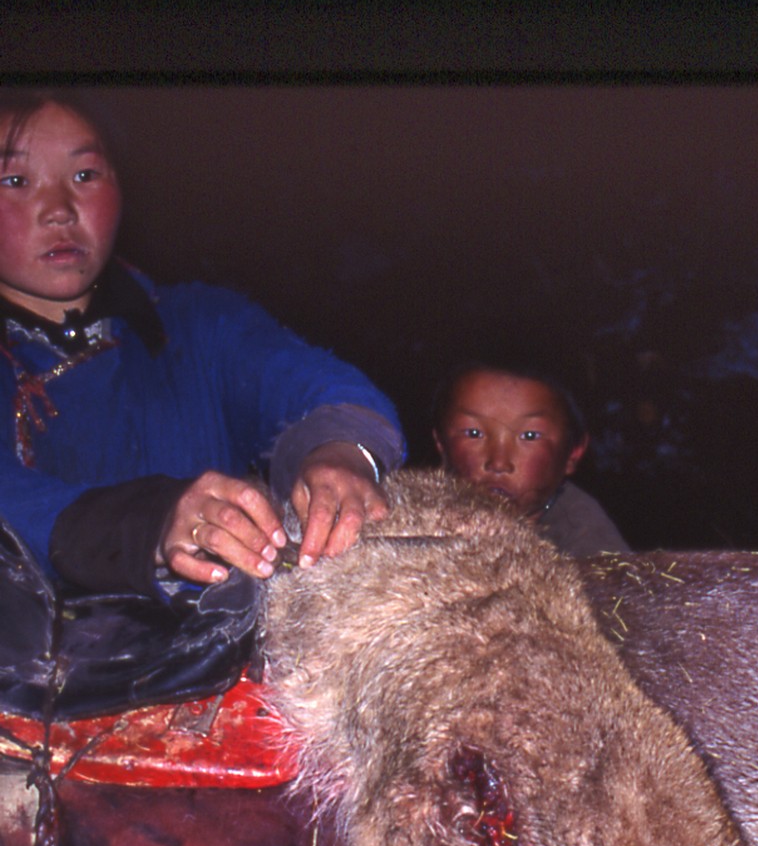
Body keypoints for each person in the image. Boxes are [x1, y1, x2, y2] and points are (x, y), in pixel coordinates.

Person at [0, 89, 401, 599]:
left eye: (85, 175)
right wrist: (148, 521)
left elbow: (323, 388)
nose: (59, 210)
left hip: (216, 640)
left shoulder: (197, 324)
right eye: (15, 181)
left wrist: (338, 453)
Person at [431, 361, 629, 556]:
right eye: (473, 433)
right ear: (440, 442)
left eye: (530, 436)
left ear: (573, 452)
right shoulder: (421, 515)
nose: (498, 463)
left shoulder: (590, 550)